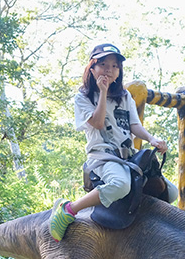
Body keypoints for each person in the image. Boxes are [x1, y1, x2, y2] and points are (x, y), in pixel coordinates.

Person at [49, 43, 176, 241]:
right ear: (92, 68)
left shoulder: (124, 96)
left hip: (128, 157)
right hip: (103, 157)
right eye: (103, 64)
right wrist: (103, 92)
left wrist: (152, 139)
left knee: (172, 192)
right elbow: (98, 123)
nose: (109, 69)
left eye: (115, 66)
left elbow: (134, 125)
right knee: (120, 185)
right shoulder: (83, 97)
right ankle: (69, 209)